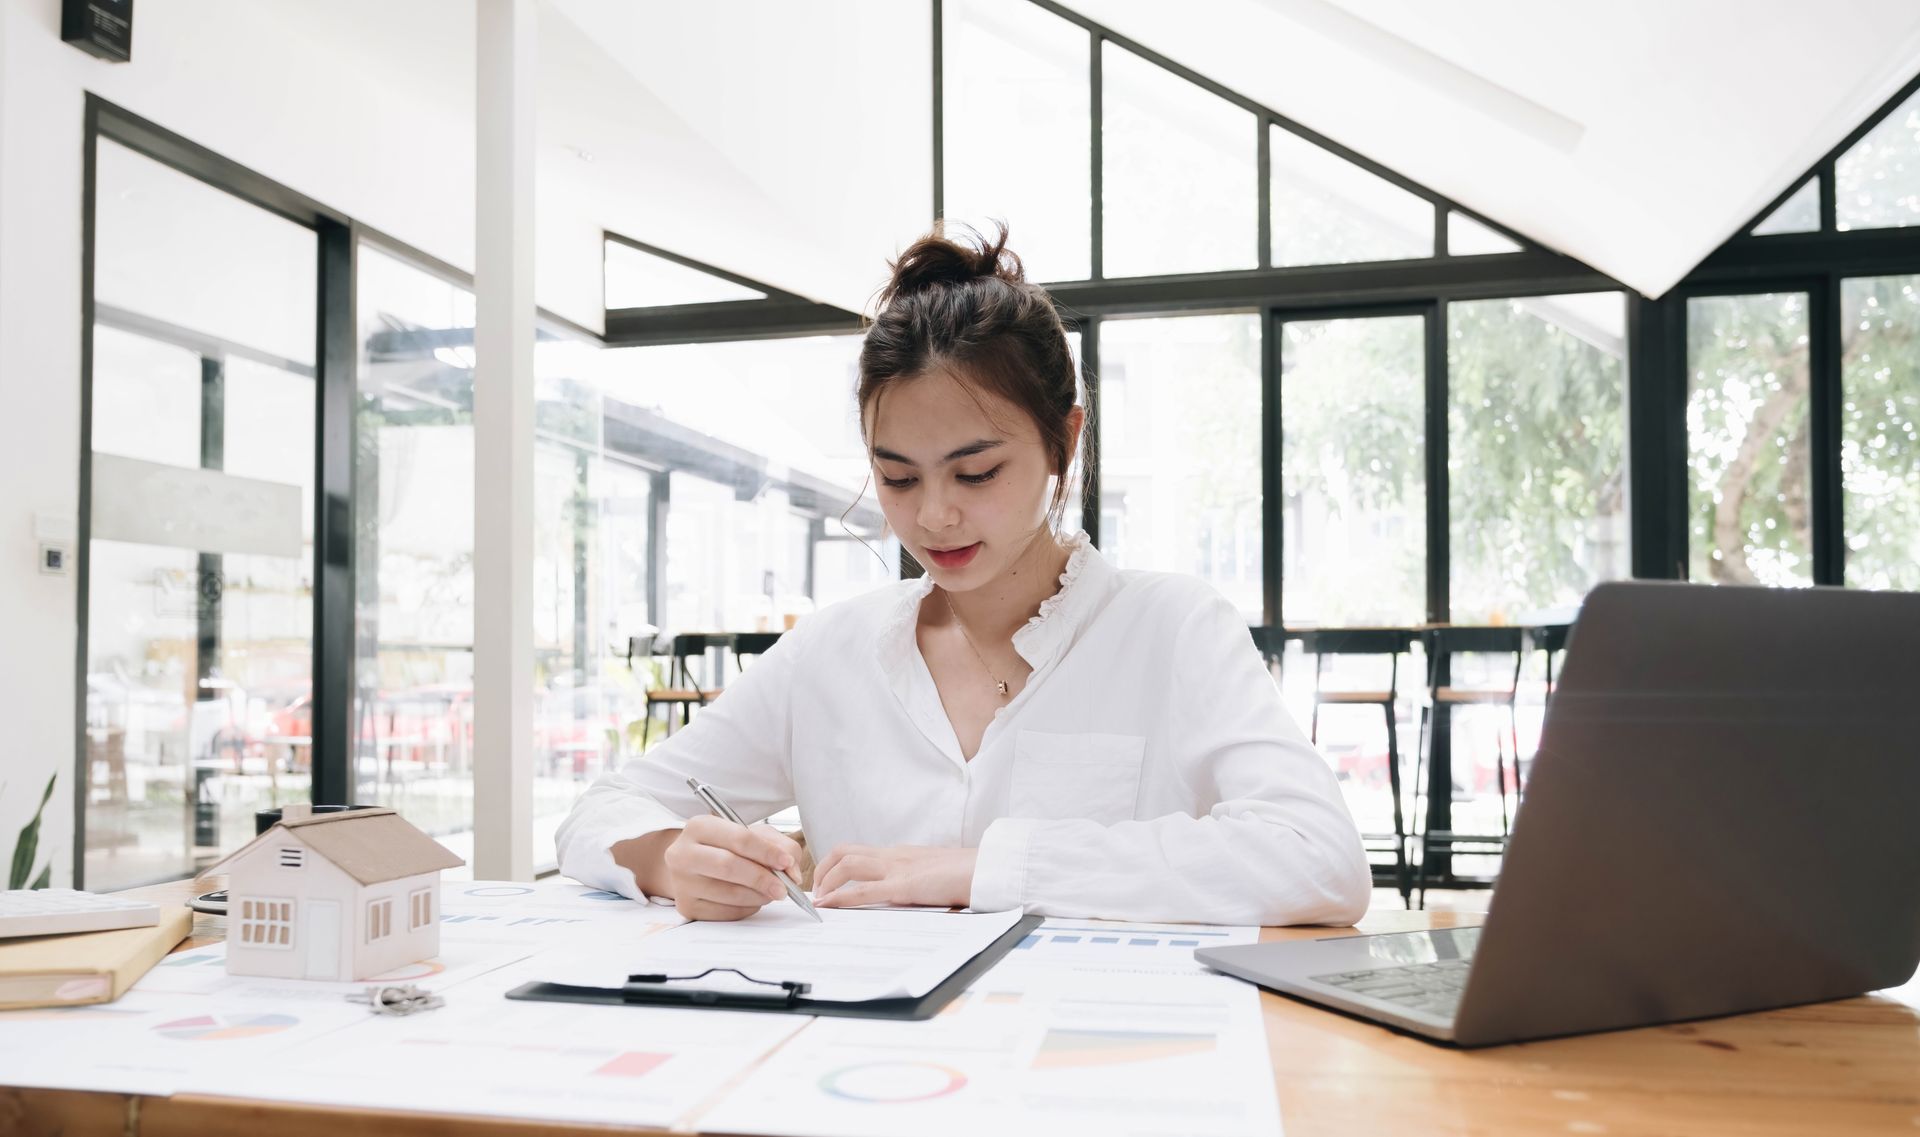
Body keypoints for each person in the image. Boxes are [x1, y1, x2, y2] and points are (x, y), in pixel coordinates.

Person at [556, 224, 1369, 926]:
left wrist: (984, 868)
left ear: (1064, 440)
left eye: (976, 473)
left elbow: (1319, 856)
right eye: (899, 478)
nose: (933, 516)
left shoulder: (1173, 628)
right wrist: (670, 859)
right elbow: (600, 813)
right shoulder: (832, 654)